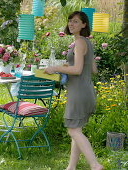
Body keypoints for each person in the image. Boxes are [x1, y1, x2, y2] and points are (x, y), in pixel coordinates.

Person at [44, 11, 103, 170]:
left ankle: (95, 165)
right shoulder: (86, 42)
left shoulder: (79, 43)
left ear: (84, 24)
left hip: (78, 93)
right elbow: (93, 69)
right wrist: (67, 67)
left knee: (73, 130)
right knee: (77, 129)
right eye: (70, 21)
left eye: (76, 21)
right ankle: (71, 167)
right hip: (87, 90)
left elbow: (77, 70)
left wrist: (55, 68)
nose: (71, 24)